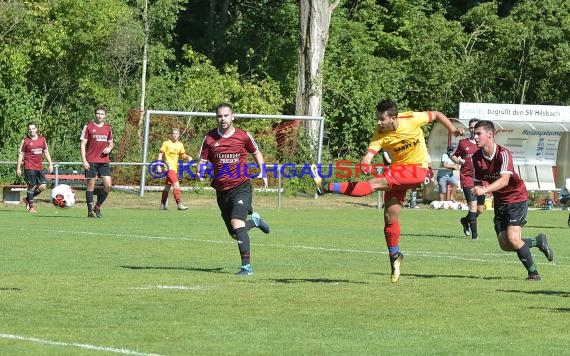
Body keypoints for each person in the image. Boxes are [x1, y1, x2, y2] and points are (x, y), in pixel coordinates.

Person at [311, 98, 464, 283]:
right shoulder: (380, 133)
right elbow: (368, 156)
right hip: (398, 170)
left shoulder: (411, 118)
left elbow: (437, 114)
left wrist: (452, 129)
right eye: (377, 118)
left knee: (374, 184)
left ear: (393, 117)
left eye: (382, 119)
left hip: (417, 169)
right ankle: (395, 256)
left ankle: (326, 186)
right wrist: (365, 164)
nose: (378, 122)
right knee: (390, 216)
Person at [470, 120, 553, 281]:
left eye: (478, 133)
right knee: (505, 244)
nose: (475, 136)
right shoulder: (476, 157)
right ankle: (538, 241)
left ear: (490, 135)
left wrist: (485, 190)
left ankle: (533, 274)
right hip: (500, 201)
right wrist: (480, 202)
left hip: (516, 197)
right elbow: (477, 182)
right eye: (474, 133)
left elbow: (504, 180)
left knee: (514, 238)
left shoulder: (503, 153)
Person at [198, 103, 271, 276]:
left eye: (225, 115)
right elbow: (202, 160)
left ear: (233, 117)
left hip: (242, 187)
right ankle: (255, 221)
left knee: (236, 223)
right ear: (216, 117)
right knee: (235, 233)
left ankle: (246, 267)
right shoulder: (209, 138)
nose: (222, 119)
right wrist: (200, 172)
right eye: (219, 116)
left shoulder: (243, 136)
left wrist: (263, 171)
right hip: (221, 191)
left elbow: (256, 153)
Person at [450, 118, 485, 240]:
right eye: (470, 127)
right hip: (467, 178)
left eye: (475, 127)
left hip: (480, 179)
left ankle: (465, 220)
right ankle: (475, 236)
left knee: (480, 209)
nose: (472, 129)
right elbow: (453, 155)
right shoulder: (463, 143)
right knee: (473, 206)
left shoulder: (483, 144)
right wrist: (458, 160)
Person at [80, 105, 113, 218]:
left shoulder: (108, 128)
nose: (100, 116)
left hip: (104, 161)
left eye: (102, 114)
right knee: (90, 186)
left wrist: (109, 148)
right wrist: (84, 160)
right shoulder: (88, 127)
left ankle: (97, 206)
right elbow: (83, 144)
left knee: (108, 185)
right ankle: (90, 212)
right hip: (91, 160)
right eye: (98, 113)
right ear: (95, 114)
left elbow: (111, 142)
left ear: (105, 115)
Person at [16, 122, 54, 213]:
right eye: (29, 129)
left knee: (43, 186)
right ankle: (31, 207)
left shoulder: (42, 139)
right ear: (28, 130)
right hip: (29, 166)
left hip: (39, 167)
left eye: (33, 128)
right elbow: (21, 155)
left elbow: (46, 152)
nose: (31, 130)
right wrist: (18, 168)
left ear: (36, 129)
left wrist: (50, 164)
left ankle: (27, 199)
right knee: (31, 186)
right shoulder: (25, 141)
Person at [157, 128, 192, 210]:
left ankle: (163, 204)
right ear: (171, 134)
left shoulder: (180, 145)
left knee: (167, 187)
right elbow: (160, 154)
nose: (174, 135)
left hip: (174, 169)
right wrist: (158, 165)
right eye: (173, 133)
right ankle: (179, 204)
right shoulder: (166, 143)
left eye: (176, 133)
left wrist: (187, 157)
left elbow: (182, 155)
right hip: (168, 168)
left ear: (179, 135)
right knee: (176, 185)